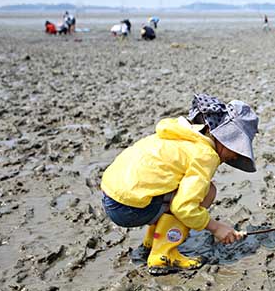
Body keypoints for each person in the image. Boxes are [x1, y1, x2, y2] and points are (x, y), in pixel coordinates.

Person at [101, 94, 259, 274]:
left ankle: (152, 241)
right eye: (237, 148)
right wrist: (216, 227)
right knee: (207, 192)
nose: (236, 156)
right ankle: (163, 255)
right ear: (223, 137)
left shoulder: (181, 133)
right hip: (130, 209)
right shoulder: (205, 154)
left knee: (169, 187)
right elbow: (184, 207)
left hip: (111, 196)